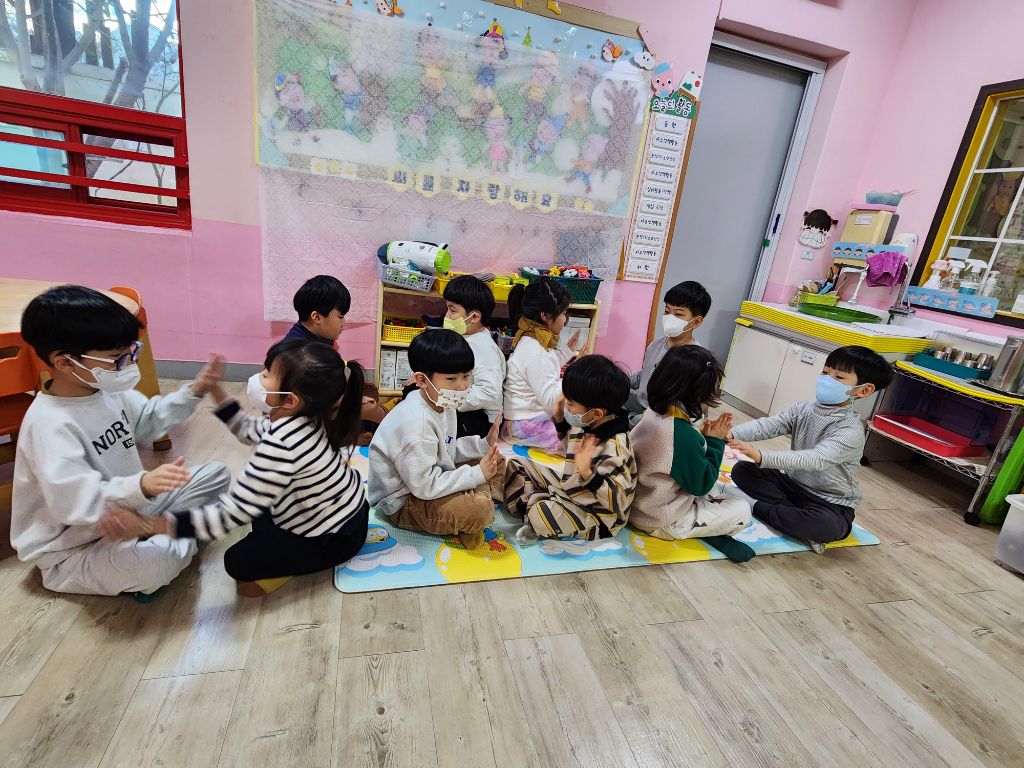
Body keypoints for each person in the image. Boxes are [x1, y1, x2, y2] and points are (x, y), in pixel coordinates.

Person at [101, 340, 370, 597]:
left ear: (290, 400)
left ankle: (299, 563)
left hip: (335, 538)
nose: (259, 377)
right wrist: (215, 389)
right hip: (349, 514)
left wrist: (148, 525)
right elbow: (248, 429)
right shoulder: (304, 417)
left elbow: (232, 514)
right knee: (260, 513)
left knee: (236, 562)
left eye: (267, 375)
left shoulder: (283, 444)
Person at [11, 285, 230, 598]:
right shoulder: (50, 425)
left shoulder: (106, 391)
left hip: (134, 509)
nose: (127, 365)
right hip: (76, 545)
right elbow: (74, 501)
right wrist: (141, 486)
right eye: (116, 358)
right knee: (153, 566)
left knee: (216, 473)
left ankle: (164, 532)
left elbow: (149, 420)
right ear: (65, 363)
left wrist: (194, 391)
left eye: (131, 353)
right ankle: (178, 534)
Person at [728, 345, 893, 553]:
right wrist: (731, 433)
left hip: (828, 501)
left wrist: (761, 456)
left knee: (826, 526)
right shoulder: (803, 409)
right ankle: (785, 513)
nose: (826, 380)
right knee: (742, 470)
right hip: (792, 485)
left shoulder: (850, 430)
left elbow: (816, 459)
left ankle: (754, 506)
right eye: (825, 372)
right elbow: (770, 425)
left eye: (839, 377)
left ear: (864, 390)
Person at [368, 329, 502, 551]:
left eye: (466, 376)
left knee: (497, 460)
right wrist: (477, 474)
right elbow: (424, 486)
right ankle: (481, 499)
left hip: (429, 476)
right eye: (451, 379)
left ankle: (481, 492)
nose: (462, 386)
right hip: (405, 500)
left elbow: (447, 449)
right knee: (477, 510)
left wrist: (483, 444)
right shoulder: (417, 422)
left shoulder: (442, 401)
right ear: (422, 380)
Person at [630, 346, 754, 562]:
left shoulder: (653, 413)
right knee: (742, 509)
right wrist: (715, 442)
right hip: (660, 519)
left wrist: (702, 439)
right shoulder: (681, 434)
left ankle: (704, 526)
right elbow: (701, 486)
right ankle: (703, 531)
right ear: (697, 393)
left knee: (718, 487)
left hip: (640, 503)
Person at [505, 355, 637, 543]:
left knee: (541, 514)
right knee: (516, 464)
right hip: (570, 487)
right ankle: (540, 502)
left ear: (596, 413)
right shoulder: (587, 423)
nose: (566, 407)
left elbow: (619, 501)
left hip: (597, 515)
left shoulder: (615, 447)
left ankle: (537, 506)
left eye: (571, 404)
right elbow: (570, 447)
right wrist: (560, 421)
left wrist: (588, 473)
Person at [282, 274, 385, 442]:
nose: (344, 323)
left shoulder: (312, 333)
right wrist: (355, 403)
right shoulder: (303, 355)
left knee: (370, 391)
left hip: (325, 397)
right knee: (373, 412)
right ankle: (338, 437)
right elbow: (314, 403)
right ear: (317, 317)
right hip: (309, 416)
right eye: (340, 317)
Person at [502, 277, 581, 452]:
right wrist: (575, 375)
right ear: (545, 315)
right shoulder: (535, 350)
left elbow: (546, 365)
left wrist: (567, 352)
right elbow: (551, 400)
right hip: (526, 425)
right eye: (563, 314)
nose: (565, 320)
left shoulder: (532, 337)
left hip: (524, 420)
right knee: (579, 445)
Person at [626, 280, 711, 428]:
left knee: (628, 422)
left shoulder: (694, 358)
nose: (670, 317)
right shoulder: (656, 344)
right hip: (643, 404)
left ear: (696, 322)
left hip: (665, 415)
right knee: (606, 395)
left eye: (678, 314)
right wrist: (615, 379)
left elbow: (690, 407)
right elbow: (644, 374)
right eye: (667, 311)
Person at [442, 275, 506, 439]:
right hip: (465, 406)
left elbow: (489, 392)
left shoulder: (483, 348)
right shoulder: (467, 337)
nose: (447, 316)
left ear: (475, 317)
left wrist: (449, 400)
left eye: (452, 310)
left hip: (481, 420)